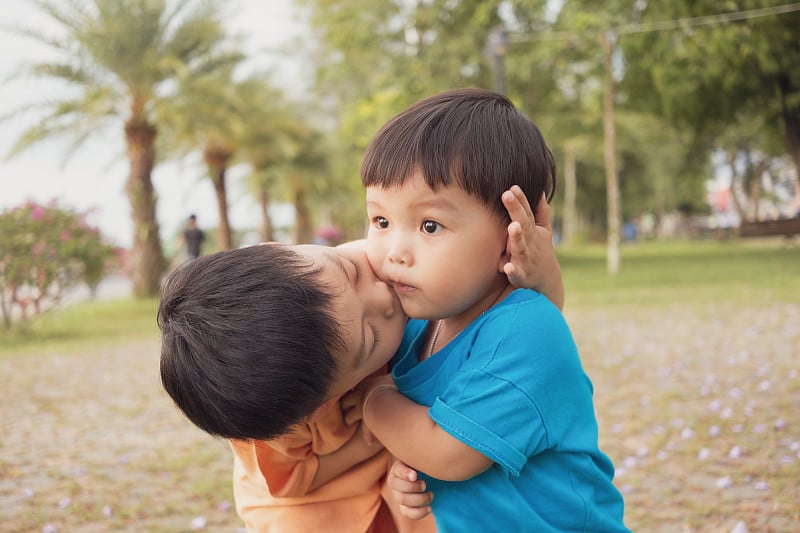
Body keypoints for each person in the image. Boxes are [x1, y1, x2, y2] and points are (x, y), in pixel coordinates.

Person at [159, 188, 561, 532]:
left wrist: (542, 280)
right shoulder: (282, 412)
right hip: (319, 517)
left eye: (351, 270)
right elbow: (292, 481)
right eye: (371, 335)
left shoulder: (375, 304)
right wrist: (374, 433)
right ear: (319, 407)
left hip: (388, 488)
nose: (383, 297)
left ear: (278, 248)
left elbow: (520, 346)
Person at [354, 88, 629, 532]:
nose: (394, 251)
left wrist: (372, 399)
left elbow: (447, 451)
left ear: (513, 229)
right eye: (381, 221)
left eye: (429, 225)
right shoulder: (413, 327)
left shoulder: (527, 327)